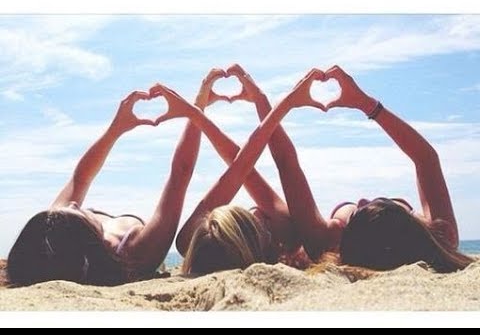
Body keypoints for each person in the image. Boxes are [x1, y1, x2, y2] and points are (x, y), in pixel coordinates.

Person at [229, 64, 472, 274]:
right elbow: (426, 159)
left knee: (278, 219)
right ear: (410, 222)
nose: (363, 198)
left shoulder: (325, 242)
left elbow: (285, 163)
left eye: (357, 211)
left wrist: (265, 102)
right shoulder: (440, 237)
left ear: (346, 240)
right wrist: (367, 105)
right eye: (375, 201)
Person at [7, 70, 230, 286]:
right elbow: (180, 173)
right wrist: (196, 109)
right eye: (76, 212)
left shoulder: (56, 230)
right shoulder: (137, 252)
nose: (74, 204)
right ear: (81, 244)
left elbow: (81, 178)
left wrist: (116, 128)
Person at [149, 67, 325, 275]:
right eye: (262, 220)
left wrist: (197, 109)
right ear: (262, 237)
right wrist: (263, 101)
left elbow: (240, 168)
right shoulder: (287, 232)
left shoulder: (191, 239)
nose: (260, 212)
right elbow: (247, 169)